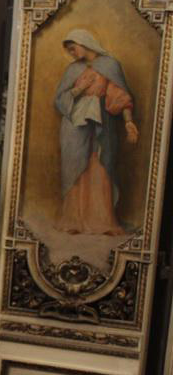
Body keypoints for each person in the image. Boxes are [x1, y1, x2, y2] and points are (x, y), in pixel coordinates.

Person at [54, 28, 137, 235]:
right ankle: (73, 220)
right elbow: (60, 100)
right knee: (76, 169)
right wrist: (79, 90)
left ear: (84, 43)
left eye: (74, 49)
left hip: (102, 125)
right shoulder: (73, 70)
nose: (72, 53)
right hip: (75, 128)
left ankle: (101, 222)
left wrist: (128, 123)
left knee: (100, 167)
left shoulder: (109, 66)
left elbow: (121, 98)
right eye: (70, 51)